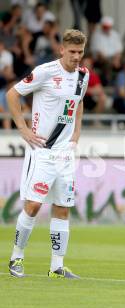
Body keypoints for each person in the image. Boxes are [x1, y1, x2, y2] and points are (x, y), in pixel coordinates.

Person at [6, 29, 89, 279]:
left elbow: (79, 100)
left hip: (65, 154)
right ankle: (16, 258)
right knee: (33, 205)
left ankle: (56, 266)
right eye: (72, 52)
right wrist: (22, 128)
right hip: (41, 150)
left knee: (63, 208)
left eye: (80, 52)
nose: (76, 57)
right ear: (61, 50)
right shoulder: (46, 72)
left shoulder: (83, 76)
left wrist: (76, 133)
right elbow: (12, 94)